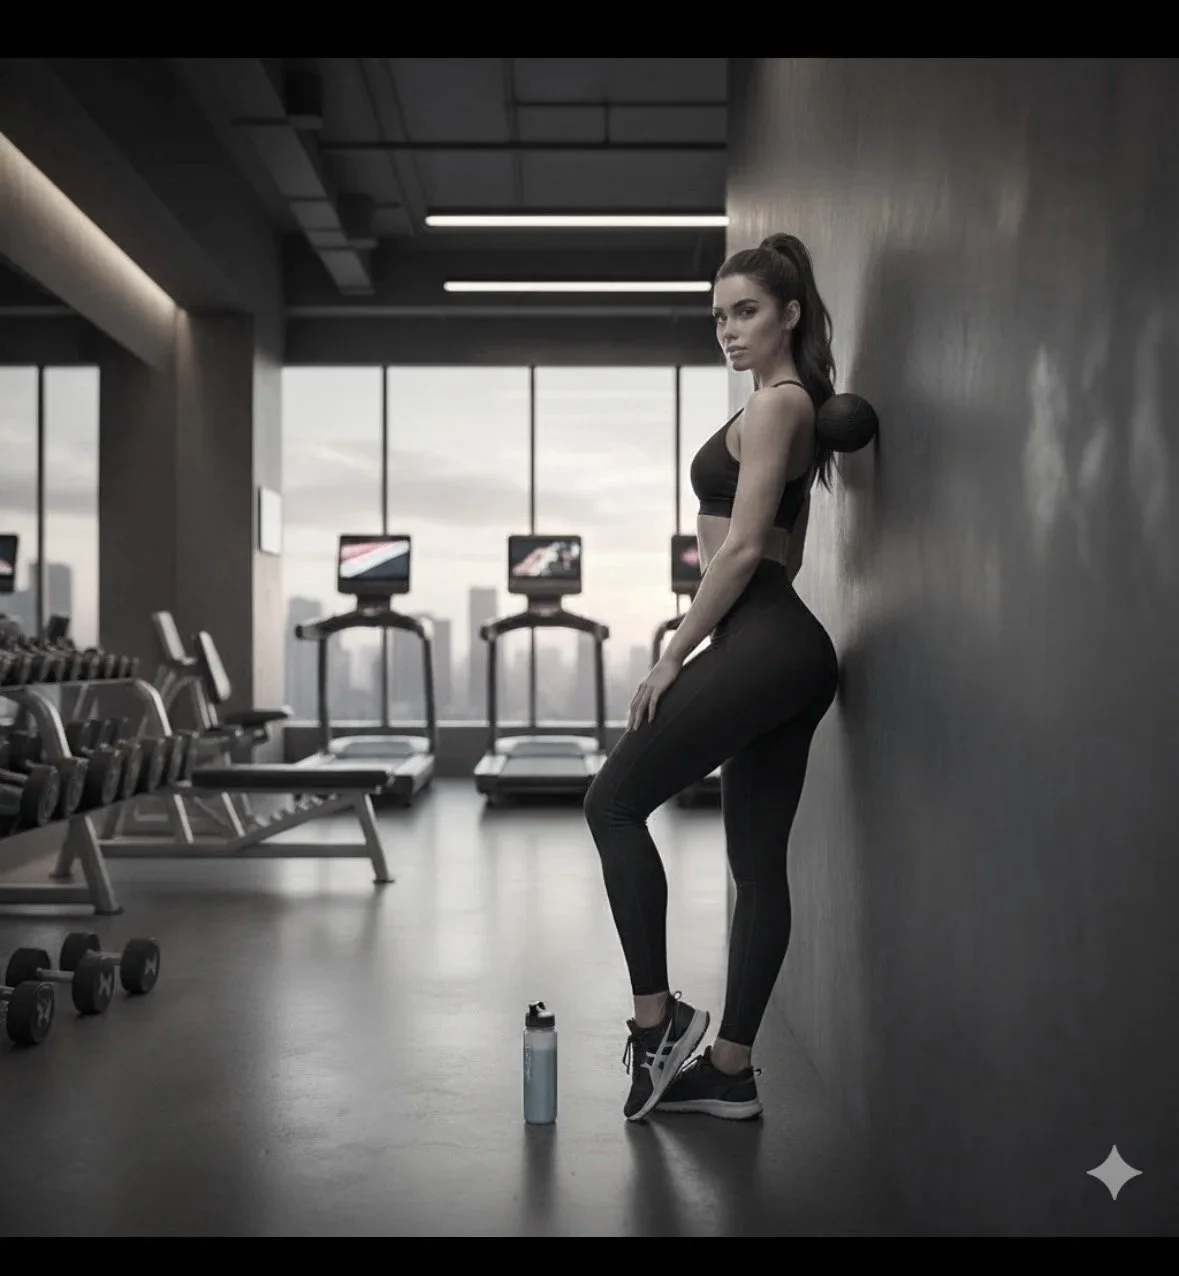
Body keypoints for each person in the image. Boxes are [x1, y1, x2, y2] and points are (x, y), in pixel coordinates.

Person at [583, 233, 841, 1122]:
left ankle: (657, 1022)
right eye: (719, 317)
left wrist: (674, 651)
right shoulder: (795, 410)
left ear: (789, 314)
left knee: (609, 804)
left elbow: (738, 553)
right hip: (783, 647)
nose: (728, 331)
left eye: (747, 312)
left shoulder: (777, 405)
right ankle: (728, 1070)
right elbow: (785, 548)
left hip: (765, 639)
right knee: (756, 867)